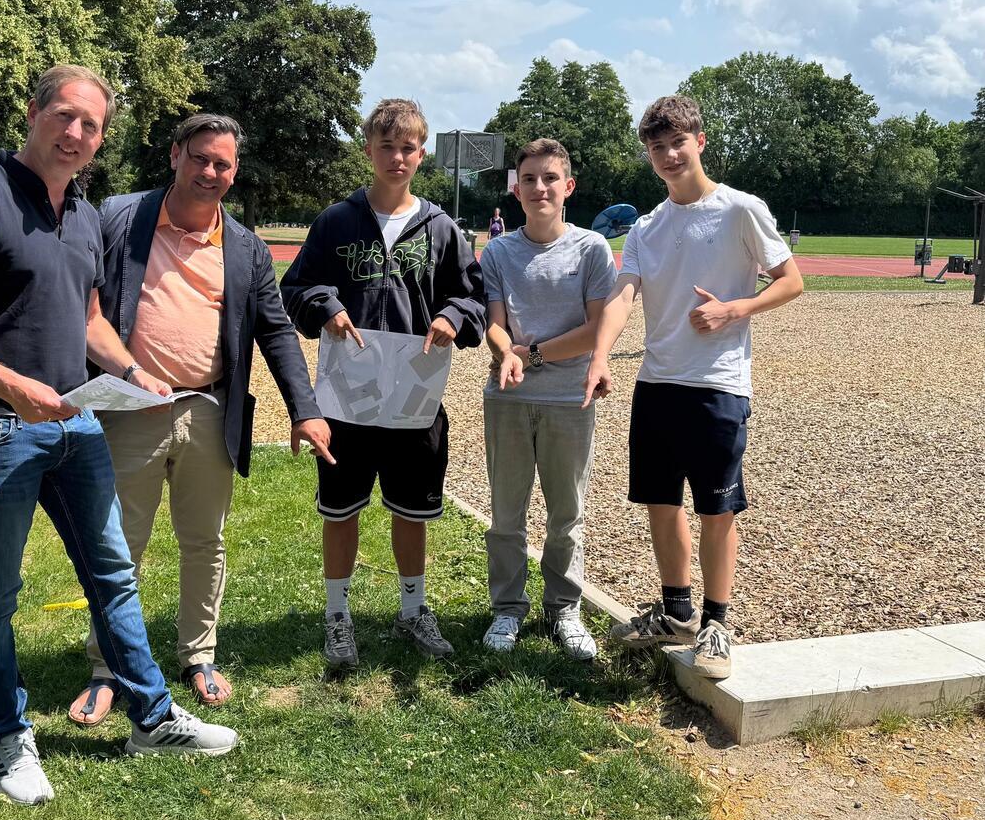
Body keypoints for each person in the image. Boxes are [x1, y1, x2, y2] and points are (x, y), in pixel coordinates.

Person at [0, 65, 238, 807]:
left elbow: (88, 317)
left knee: (113, 574)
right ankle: (7, 738)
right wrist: (12, 386)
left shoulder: (84, 213)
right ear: (34, 113)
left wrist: (132, 368)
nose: (77, 134)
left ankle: (151, 716)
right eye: (65, 116)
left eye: (91, 125)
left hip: (79, 423)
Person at [70, 114, 331, 725]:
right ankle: (107, 668)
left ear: (235, 171)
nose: (211, 173)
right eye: (200, 159)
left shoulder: (245, 248)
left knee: (204, 542)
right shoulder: (119, 220)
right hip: (129, 408)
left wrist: (306, 410)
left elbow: (276, 332)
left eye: (224, 164)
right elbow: (80, 300)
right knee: (117, 547)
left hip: (212, 411)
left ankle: (199, 655)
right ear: (174, 157)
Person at [582, 94, 803, 680]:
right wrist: (601, 356)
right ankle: (676, 612)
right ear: (649, 156)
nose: (669, 155)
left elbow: (792, 280)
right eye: (657, 148)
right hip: (657, 383)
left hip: (718, 385)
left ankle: (716, 624)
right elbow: (624, 295)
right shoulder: (649, 227)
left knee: (717, 507)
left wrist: (736, 308)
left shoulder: (739, 211)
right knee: (660, 501)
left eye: (677, 143)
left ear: (699, 142)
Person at [281, 98, 486, 667]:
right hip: (348, 400)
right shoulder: (336, 221)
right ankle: (337, 616)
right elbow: (296, 287)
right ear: (369, 150)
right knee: (341, 509)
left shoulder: (442, 227)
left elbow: (472, 294)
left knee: (410, 509)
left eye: (408, 148)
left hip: (415, 399)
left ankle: (413, 608)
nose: (397, 157)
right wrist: (325, 305)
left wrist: (452, 318)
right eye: (387, 146)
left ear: (422, 154)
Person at [480, 139, 617, 661]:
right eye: (530, 179)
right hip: (508, 398)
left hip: (568, 400)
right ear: (517, 189)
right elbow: (495, 323)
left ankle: (564, 610)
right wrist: (505, 353)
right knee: (506, 515)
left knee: (567, 514)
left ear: (568, 187)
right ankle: (507, 610)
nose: (540, 188)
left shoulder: (590, 250)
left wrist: (530, 353)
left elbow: (595, 331)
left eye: (550, 178)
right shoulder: (497, 252)